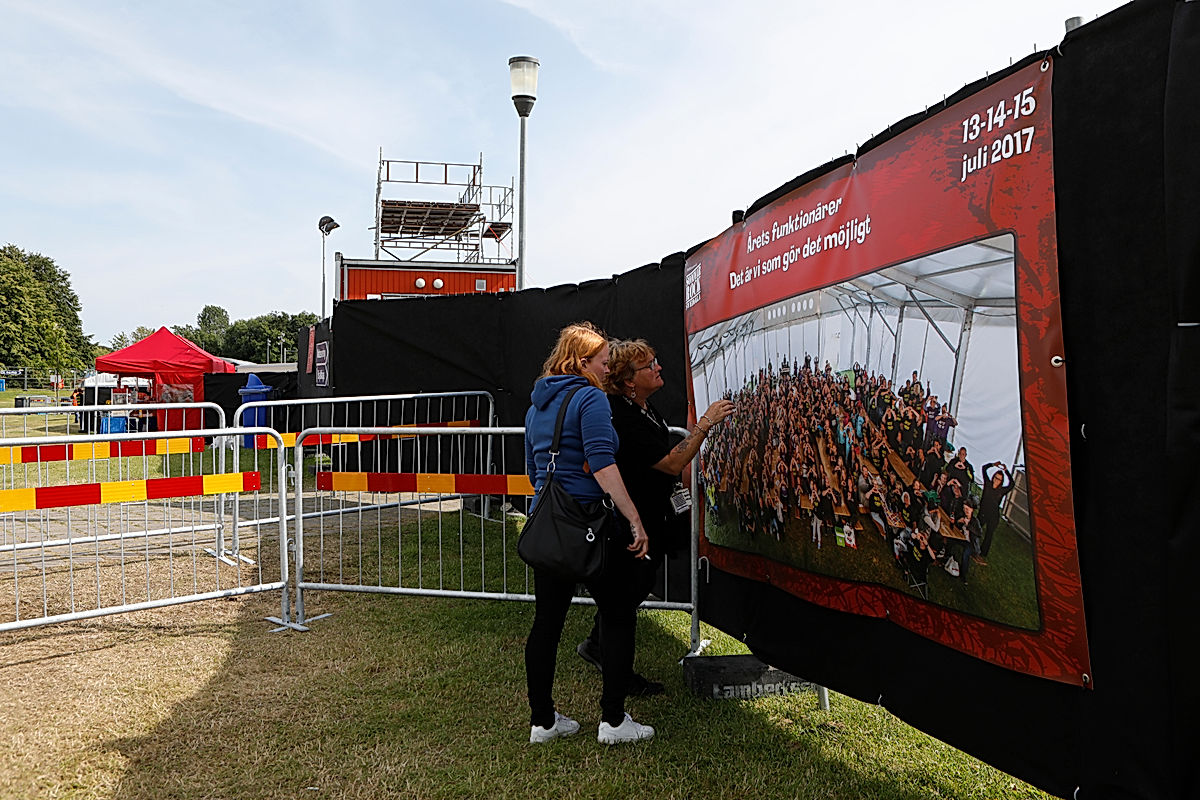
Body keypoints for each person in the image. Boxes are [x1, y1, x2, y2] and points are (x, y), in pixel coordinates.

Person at [577, 339, 734, 695]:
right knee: (627, 597)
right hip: (632, 520)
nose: (658, 368)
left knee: (629, 594)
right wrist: (705, 424)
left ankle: (596, 645)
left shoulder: (643, 407)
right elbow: (672, 462)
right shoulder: (622, 414)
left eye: (656, 360)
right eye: (649, 365)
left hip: (650, 514)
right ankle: (617, 677)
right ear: (629, 380)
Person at [523, 322, 653, 746]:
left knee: (547, 624)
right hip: (592, 524)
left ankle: (543, 722)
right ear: (582, 362)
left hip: (550, 525)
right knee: (617, 616)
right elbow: (602, 464)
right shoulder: (591, 397)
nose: (606, 367)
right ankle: (613, 722)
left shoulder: (536, 404)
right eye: (601, 361)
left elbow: (532, 472)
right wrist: (633, 517)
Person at [977, 461, 1015, 561]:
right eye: (995, 478)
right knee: (976, 528)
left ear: (1001, 481)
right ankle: (972, 545)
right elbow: (984, 468)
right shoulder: (988, 484)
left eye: (999, 479)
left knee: (989, 535)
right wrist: (993, 464)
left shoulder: (1001, 491)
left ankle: (982, 553)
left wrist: (1006, 471)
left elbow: (1012, 484)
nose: (996, 480)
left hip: (993, 516)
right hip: (983, 512)